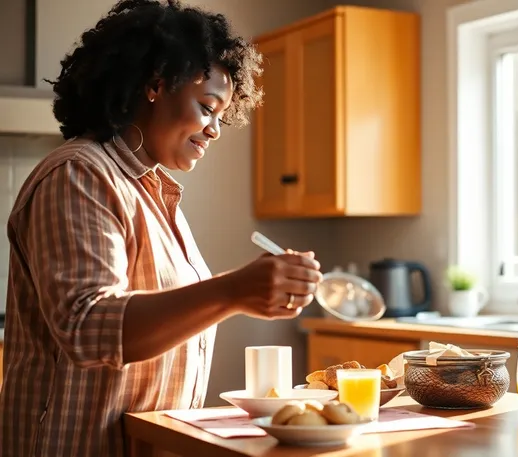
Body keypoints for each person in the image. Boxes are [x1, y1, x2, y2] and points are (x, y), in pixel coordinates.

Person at [0, 1, 323, 455]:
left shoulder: (152, 192)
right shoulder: (79, 174)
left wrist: (242, 291)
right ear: (156, 85)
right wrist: (232, 291)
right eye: (208, 107)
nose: (215, 130)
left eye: (222, 115)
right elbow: (88, 327)